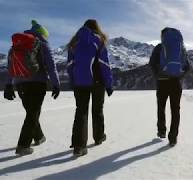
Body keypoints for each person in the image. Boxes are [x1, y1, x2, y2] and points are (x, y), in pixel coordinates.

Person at [4, 20, 60, 156]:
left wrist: (9, 85)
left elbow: (10, 67)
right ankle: (23, 145)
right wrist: (56, 84)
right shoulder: (42, 43)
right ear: (43, 34)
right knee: (33, 113)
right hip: (37, 82)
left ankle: (39, 137)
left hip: (19, 84)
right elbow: (51, 65)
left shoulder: (16, 45)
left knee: (31, 112)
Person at [67, 19, 113, 156]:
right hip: (97, 82)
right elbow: (105, 64)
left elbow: (70, 65)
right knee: (97, 109)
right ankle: (98, 137)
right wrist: (109, 84)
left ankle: (79, 146)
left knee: (81, 111)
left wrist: (73, 80)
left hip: (79, 83)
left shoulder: (74, 42)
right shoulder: (98, 40)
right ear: (96, 28)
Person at [149, 27, 191, 147]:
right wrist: (180, 76)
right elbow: (188, 67)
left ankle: (161, 130)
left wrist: (158, 75)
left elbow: (151, 63)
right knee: (175, 110)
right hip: (176, 83)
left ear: (163, 36)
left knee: (161, 107)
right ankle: (173, 138)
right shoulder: (181, 49)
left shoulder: (159, 47)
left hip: (162, 82)